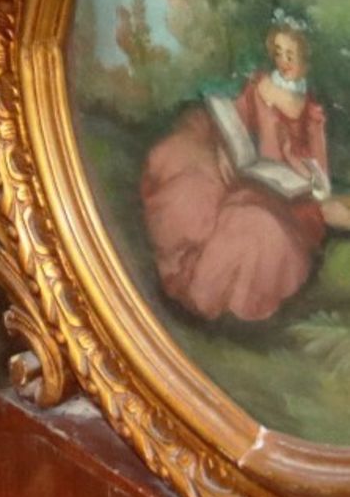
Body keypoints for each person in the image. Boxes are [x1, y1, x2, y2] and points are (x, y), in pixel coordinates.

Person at [141, 17, 350, 323]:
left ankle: (216, 299)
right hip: (253, 177)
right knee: (190, 181)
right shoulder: (259, 86)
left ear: (304, 60)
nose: (283, 61)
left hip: (291, 196)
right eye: (278, 52)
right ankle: (194, 286)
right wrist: (227, 153)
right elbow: (236, 125)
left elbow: (318, 171)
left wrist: (295, 162)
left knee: (257, 227)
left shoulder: (311, 110)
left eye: (290, 55)